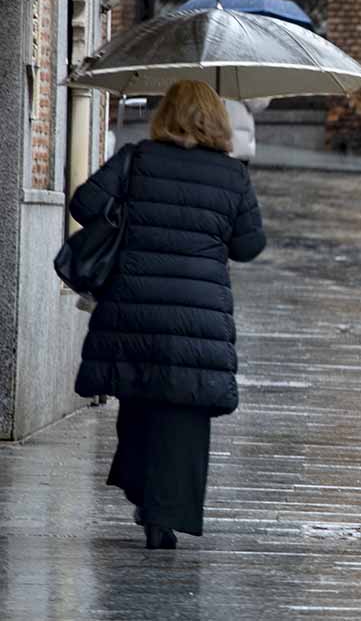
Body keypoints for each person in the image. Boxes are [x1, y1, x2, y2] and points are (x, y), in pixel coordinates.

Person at [70, 80, 266, 549]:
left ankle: (143, 491)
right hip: (199, 318)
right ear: (217, 121)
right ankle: (166, 510)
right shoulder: (233, 175)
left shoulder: (138, 158)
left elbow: (83, 204)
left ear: (165, 115)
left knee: (139, 399)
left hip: (135, 307)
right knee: (186, 414)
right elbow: (248, 246)